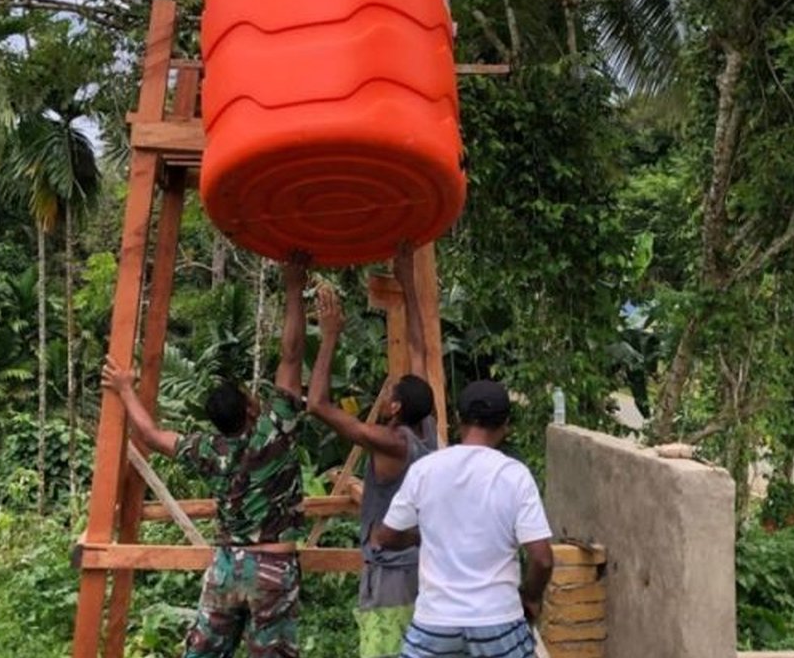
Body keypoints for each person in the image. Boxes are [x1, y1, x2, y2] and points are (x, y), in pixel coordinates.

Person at [102, 255, 311, 658]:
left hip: (227, 567)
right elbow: (290, 356)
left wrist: (125, 388)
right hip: (272, 567)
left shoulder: (205, 449)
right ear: (251, 409)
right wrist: (292, 288)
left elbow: (149, 432)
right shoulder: (274, 431)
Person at [306, 244, 438, 658]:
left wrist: (329, 338)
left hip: (391, 572)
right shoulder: (426, 428)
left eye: (390, 393)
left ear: (396, 406)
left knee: (384, 646)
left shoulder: (391, 440)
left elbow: (317, 405)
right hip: (422, 564)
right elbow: (420, 350)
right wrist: (407, 283)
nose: (385, 396)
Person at [373, 379, 554, 658]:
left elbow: (385, 537)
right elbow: (542, 559)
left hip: (435, 620)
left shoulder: (425, 470)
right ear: (506, 424)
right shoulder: (514, 475)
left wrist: (421, 538)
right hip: (498, 618)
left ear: (459, 420)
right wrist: (530, 598)